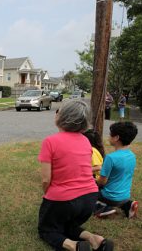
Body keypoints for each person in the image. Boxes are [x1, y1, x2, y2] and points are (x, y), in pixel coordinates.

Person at [38, 100, 113, 251]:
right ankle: (95, 239)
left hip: (64, 199)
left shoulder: (50, 142)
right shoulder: (86, 141)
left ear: (63, 117)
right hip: (90, 198)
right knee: (67, 225)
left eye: (59, 111)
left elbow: (46, 179)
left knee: (47, 229)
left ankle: (75, 246)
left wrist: (49, 196)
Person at [95, 122, 139, 219]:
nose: (109, 137)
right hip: (125, 196)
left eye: (111, 134)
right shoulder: (132, 156)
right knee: (118, 196)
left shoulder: (111, 158)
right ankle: (129, 204)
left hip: (109, 197)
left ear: (116, 138)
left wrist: (93, 182)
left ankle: (103, 208)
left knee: (88, 192)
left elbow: (102, 182)